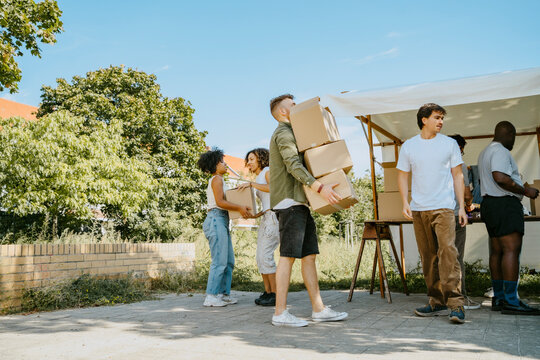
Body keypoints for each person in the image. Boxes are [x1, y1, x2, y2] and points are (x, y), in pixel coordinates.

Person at [269, 94, 348, 327]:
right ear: (283, 112)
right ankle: (280, 313)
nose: (298, 107)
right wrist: (320, 187)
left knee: (309, 256)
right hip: (289, 202)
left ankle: (319, 309)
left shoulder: (296, 134)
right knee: (288, 257)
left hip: (300, 203)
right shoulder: (283, 133)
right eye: (293, 105)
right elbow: (293, 165)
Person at [397, 103, 467, 324]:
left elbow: (458, 176)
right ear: (424, 119)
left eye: (442, 118)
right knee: (428, 257)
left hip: (444, 208)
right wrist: (404, 201)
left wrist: (462, 207)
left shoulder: (449, 144)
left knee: (448, 253)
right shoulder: (409, 146)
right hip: (419, 209)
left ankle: (455, 305)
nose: (441, 122)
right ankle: (436, 302)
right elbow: (402, 175)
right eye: (437, 117)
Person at [477, 121, 540, 315]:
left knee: (497, 252)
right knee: (511, 250)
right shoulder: (501, 151)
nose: (513, 141)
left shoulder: (484, 152)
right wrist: (525, 191)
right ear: (509, 134)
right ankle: (512, 300)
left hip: (490, 204)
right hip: (504, 203)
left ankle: (499, 297)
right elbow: (500, 177)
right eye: (513, 137)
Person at [197, 148, 252, 307]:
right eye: (222, 161)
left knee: (228, 261)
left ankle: (223, 294)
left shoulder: (221, 180)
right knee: (219, 260)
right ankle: (211, 296)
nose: (225, 163)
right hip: (215, 219)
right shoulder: (216, 179)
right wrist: (240, 207)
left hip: (221, 220)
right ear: (214, 164)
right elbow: (220, 202)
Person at [238, 148, 279, 306]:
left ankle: (275, 294)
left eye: (251, 159)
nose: (248, 163)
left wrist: (251, 184)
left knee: (266, 255)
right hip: (266, 217)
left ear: (261, 159)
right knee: (260, 257)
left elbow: (275, 188)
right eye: (248, 160)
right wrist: (256, 215)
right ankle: (267, 292)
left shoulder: (268, 171)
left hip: (274, 218)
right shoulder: (260, 177)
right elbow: (268, 202)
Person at [448, 134, 480, 310]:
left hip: (438, 215)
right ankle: (461, 297)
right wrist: (469, 205)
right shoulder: (458, 165)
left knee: (441, 257)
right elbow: (467, 194)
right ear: (458, 148)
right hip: (455, 215)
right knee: (457, 257)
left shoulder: (437, 164)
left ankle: (442, 297)